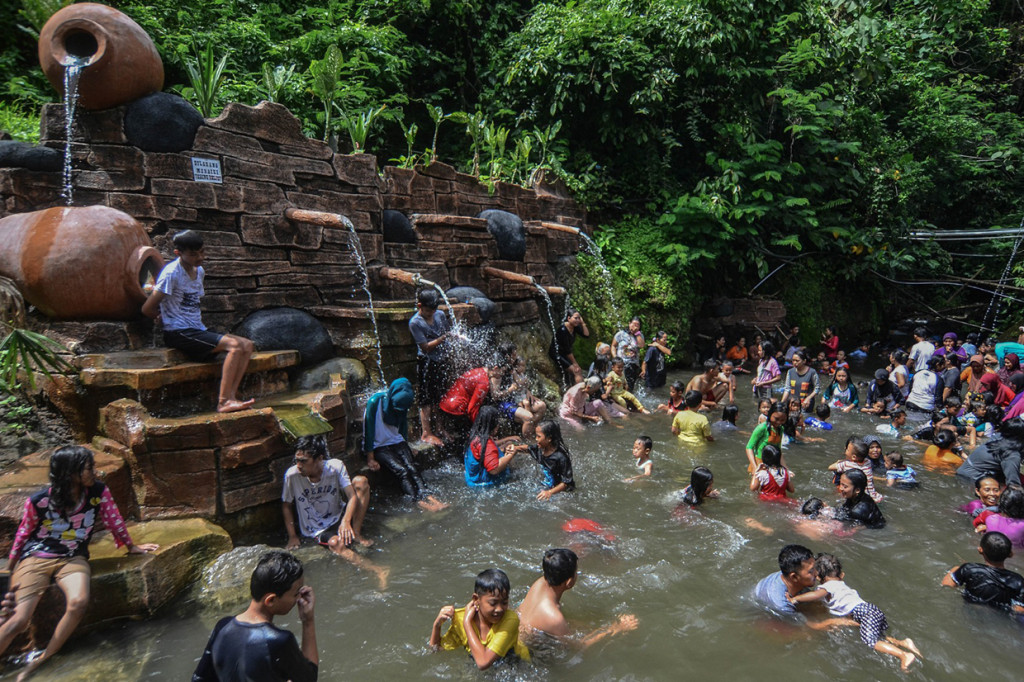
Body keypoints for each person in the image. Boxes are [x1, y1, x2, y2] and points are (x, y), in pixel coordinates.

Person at [0, 446, 159, 679]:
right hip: (36, 558)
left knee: (78, 603)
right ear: (70, 472)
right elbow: (24, 534)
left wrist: (131, 546)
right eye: (88, 468)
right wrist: (10, 569)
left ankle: (44, 658)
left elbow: (113, 518)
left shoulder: (97, 492)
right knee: (19, 620)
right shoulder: (40, 500)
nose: (94, 471)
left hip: (73, 558)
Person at [142, 230, 255, 413]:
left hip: (196, 329)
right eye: (194, 254)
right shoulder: (171, 274)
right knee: (234, 346)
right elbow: (147, 308)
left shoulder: (199, 271)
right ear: (178, 253)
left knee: (247, 345)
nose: (200, 257)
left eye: (202, 252)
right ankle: (223, 401)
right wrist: (161, 318)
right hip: (178, 332)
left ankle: (232, 396)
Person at [192, 551, 317, 682]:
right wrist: (308, 621)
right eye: (296, 594)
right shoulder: (279, 640)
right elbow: (309, 678)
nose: (299, 598)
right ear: (271, 600)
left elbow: (199, 678)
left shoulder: (222, 626)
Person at [282, 436, 388, 590]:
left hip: (339, 514)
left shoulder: (335, 467)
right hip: (317, 527)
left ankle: (356, 533)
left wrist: (346, 521)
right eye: (297, 460)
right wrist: (292, 536)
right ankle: (377, 569)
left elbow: (352, 496)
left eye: (304, 461)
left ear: (319, 458)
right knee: (335, 543)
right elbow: (286, 505)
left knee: (361, 481)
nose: (299, 465)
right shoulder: (292, 476)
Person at [789, 553, 919, 671]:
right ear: (842, 575)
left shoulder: (827, 587)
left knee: (871, 642)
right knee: (879, 637)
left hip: (863, 613)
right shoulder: (843, 586)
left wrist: (795, 598)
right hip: (870, 609)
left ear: (817, 577)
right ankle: (903, 643)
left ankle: (903, 655)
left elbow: (815, 595)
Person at [517, 549, 638, 647]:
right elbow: (579, 646)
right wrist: (617, 628)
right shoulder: (554, 617)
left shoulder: (539, 583)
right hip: (519, 655)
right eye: (576, 572)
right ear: (569, 582)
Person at [363, 377, 447, 512]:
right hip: (379, 446)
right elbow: (369, 430)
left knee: (412, 467)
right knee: (402, 470)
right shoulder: (375, 402)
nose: (398, 411)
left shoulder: (403, 403)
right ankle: (419, 502)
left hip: (396, 441)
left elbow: (402, 427)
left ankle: (431, 498)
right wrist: (370, 458)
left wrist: (407, 445)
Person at [429, 568, 531, 669]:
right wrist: (437, 625)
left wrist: (467, 624)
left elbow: (483, 663)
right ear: (476, 599)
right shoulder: (460, 618)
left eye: (504, 602)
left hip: (515, 663)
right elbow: (436, 650)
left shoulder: (510, 620)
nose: (499, 609)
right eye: (493, 603)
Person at [408, 289, 451, 446]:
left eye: (433, 311)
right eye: (427, 311)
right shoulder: (415, 323)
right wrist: (442, 339)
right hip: (426, 362)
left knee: (441, 396)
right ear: (420, 306)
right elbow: (425, 347)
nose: (430, 314)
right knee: (426, 398)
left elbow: (448, 331)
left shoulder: (438, 315)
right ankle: (426, 433)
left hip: (441, 360)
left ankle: (440, 428)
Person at [941, 532, 1024, 613]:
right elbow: (1019, 610)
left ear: (980, 550)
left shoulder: (969, 569)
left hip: (970, 610)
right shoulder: (1018, 580)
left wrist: (956, 569)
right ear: (1011, 554)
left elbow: (947, 585)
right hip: (999, 616)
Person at [957, 416, 1024, 486]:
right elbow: (1013, 485)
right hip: (973, 479)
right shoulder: (1011, 454)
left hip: (964, 471)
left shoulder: (998, 437)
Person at [464, 406, 520, 487]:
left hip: (472, 479)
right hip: (486, 485)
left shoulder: (475, 436)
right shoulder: (486, 444)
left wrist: (507, 442)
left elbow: (487, 449)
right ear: (495, 426)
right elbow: (494, 469)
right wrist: (511, 454)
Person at [523, 421, 576, 500]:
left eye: (538, 436)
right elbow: (528, 448)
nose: (536, 439)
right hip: (548, 486)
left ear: (549, 439)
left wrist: (549, 492)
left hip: (561, 492)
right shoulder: (540, 448)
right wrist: (515, 448)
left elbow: (566, 483)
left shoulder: (561, 457)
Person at [829, 438, 883, 503]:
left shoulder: (846, 464)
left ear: (854, 457)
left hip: (860, 498)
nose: (845, 451)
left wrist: (839, 462)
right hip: (874, 497)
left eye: (847, 449)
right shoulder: (868, 462)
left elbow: (830, 467)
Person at [559, 377, 623, 430]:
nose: (594, 393)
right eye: (594, 391)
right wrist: (591, 418)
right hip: (569, 415)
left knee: (598, 402)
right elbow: (573, 412)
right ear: (589, 387)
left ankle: (610, 422)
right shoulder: (575, 394)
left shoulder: (585, 385)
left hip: (581, 408)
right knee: (581, 429)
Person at [549, 309, 590, 388]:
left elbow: (586, 335)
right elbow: (567, 349)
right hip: (556, 353)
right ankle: (580, 393)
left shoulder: (575, 327)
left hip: (564, 353)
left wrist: (583, 323)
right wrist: (575, 363)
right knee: (576, 371)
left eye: (579, 318)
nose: (577, 320)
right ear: (568, 318)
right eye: (575, 318)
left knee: (577, 371)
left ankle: (578, 391)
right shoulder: (563, 330)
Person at [745, 401, 786, 472]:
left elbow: (779, 450)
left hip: (773, 465)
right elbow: (749, 447)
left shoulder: (781, 429)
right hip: (759, 463)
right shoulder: (762, 428)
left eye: (782, 420)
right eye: (776, 419)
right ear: (770, 415)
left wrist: (785, 469)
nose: (779, 422)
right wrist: (755, 467)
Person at [612, 317, 644, 390]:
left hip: (633, 365)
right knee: (617, 383)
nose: (635, 326)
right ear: (629, 323)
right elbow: (613, 346)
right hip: (620, 363)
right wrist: (615, 358)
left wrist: (637, 334)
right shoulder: (620, 334)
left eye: (638, 325)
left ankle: (628, 399)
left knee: (629, 386)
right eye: (633, 324)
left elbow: (641, 345)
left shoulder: (640, 335)